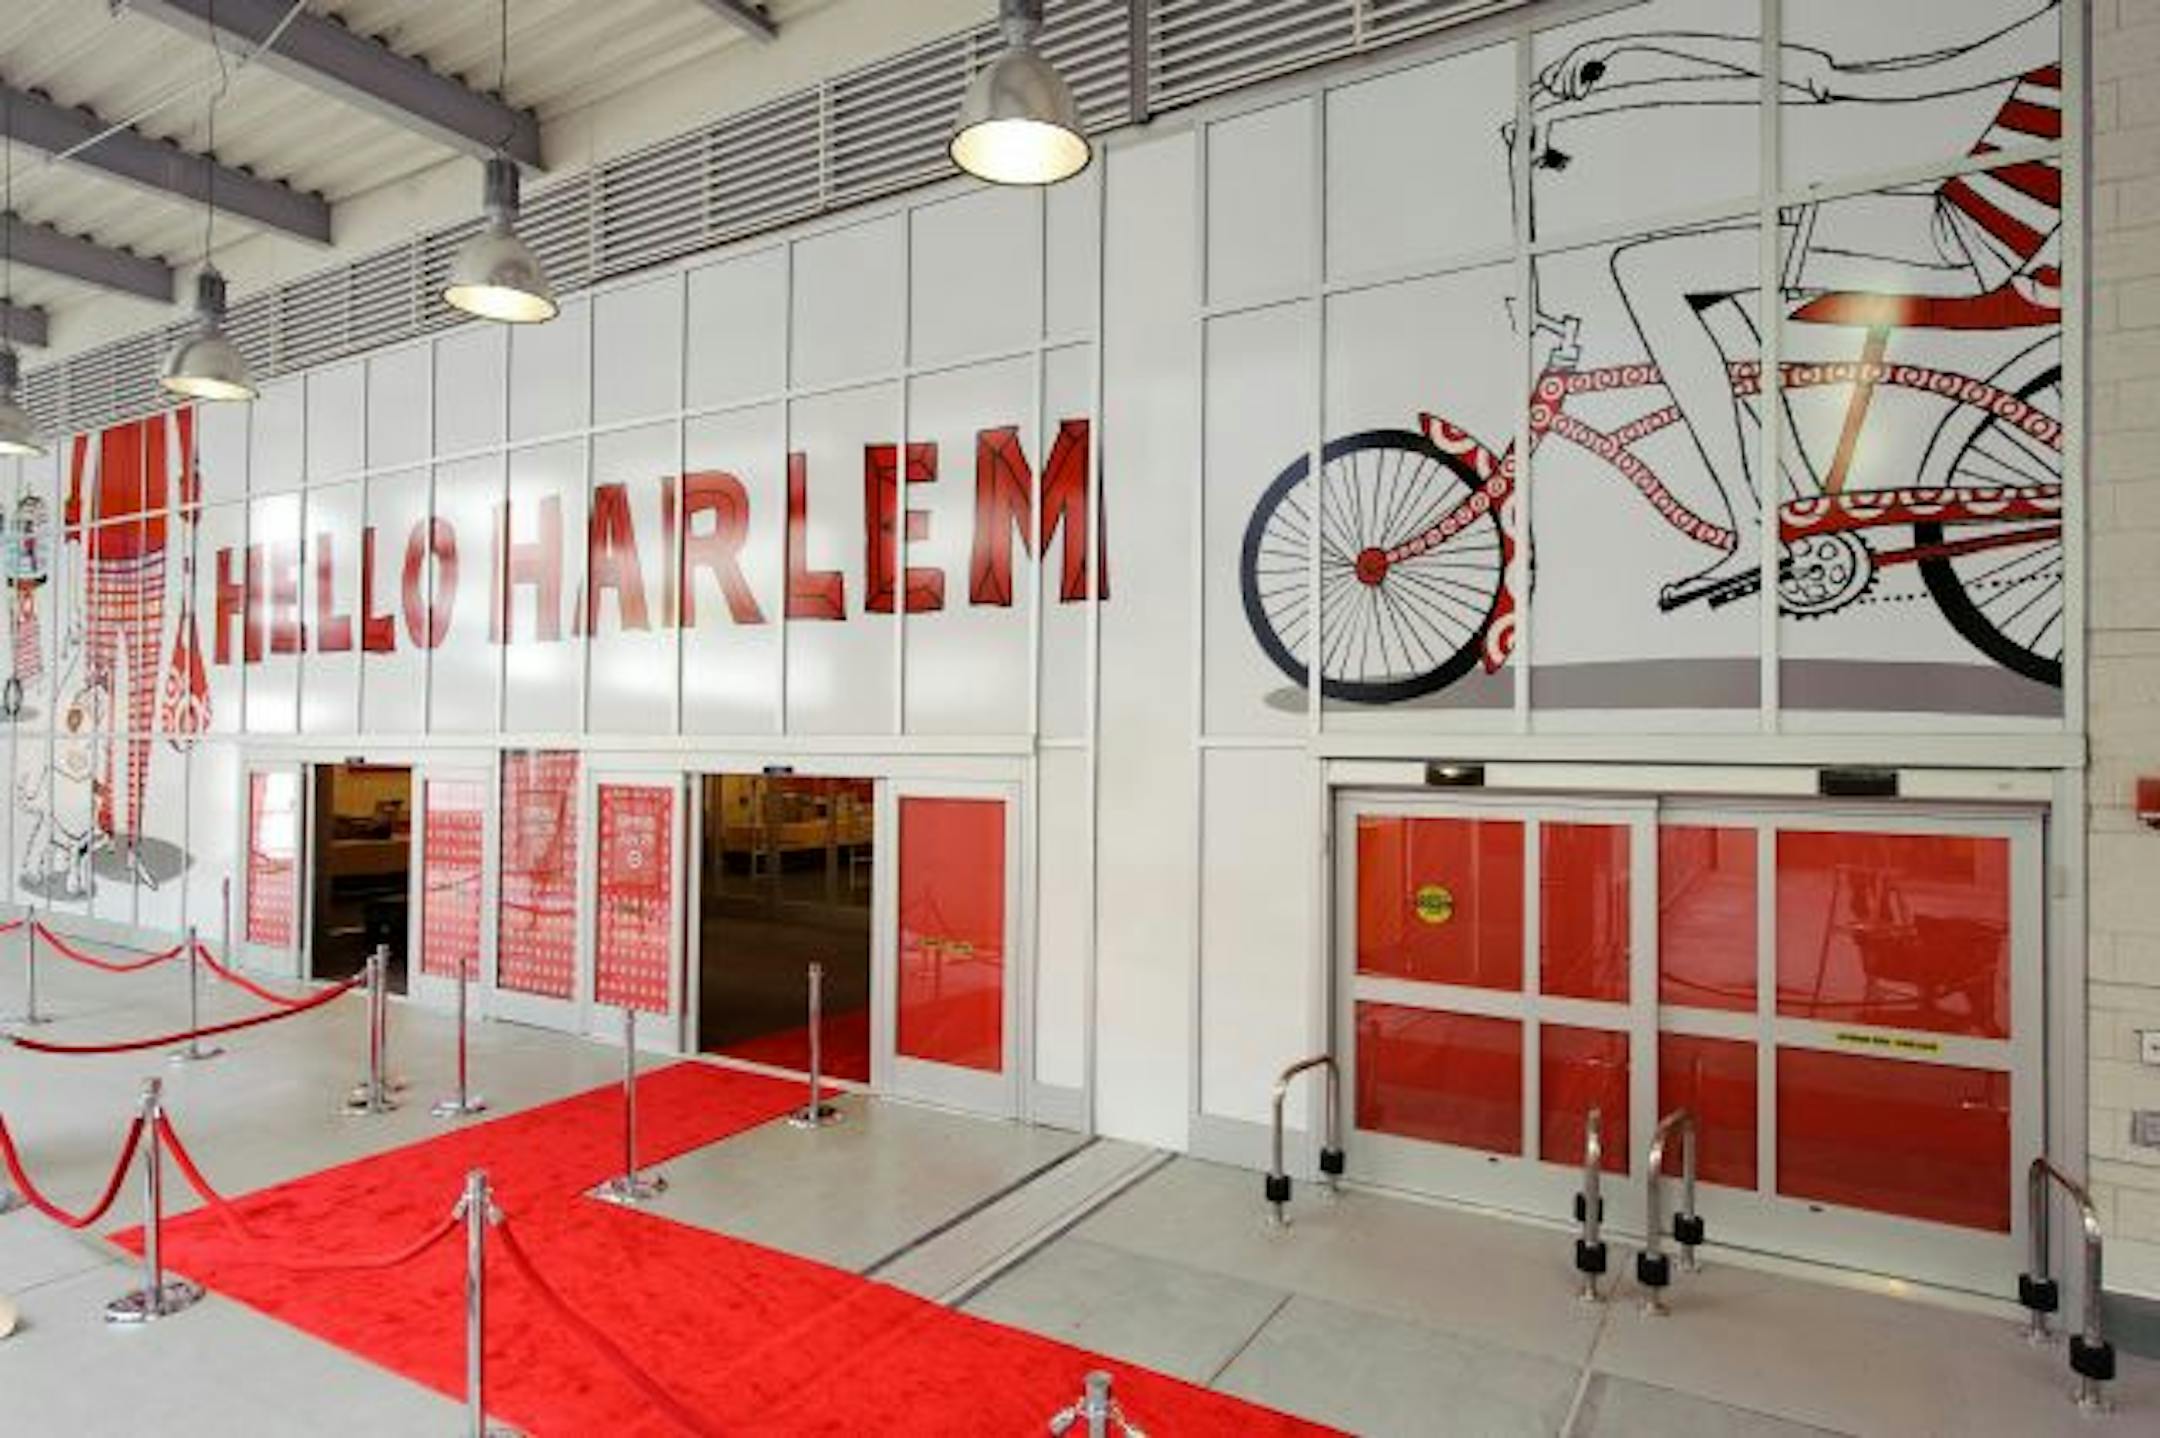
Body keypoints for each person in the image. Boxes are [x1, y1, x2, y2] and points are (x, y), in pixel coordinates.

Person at [1532, 4, 2061, 608]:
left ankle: (1755, 531)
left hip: (1955, 237)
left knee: (1648, 272)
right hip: (1950, 222)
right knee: (1695, 287)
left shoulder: (2060, 25)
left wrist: (1631, 41)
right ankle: (1792, 503)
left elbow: (1848, 82)